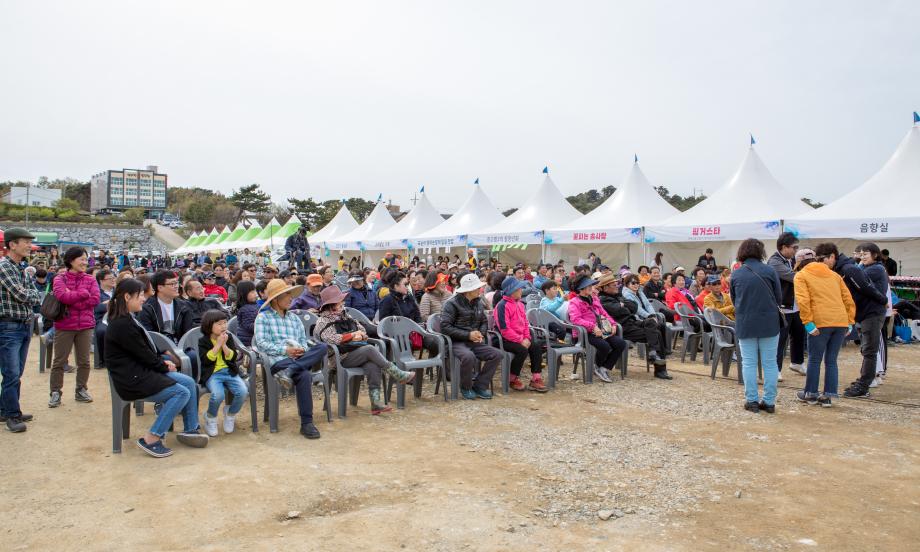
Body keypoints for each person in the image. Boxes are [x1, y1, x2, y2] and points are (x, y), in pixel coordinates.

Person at [105, 278, 209, 457]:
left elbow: (144, 349)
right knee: (180, 392)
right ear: (127, 297)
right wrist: (163, 365)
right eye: (140, 296)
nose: (144, 299)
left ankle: (190, 429)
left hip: (141, 371)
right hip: (132, 379)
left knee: (189, 382)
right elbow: (143, 354)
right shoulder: (122, 324)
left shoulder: (128, 318)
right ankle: (151, 438)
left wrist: (163, 359)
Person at [315, 286, 415, 415]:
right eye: (339, 301)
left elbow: (362, 329)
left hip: (356, 352)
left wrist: (360, 335)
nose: (342, 303)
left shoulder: (346, 314)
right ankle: (397, 374)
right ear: (331, 305)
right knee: (369, 349)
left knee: (373, 365)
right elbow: (331, 339)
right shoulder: (322, 321)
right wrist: (352, 336)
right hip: (339, 357)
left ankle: (376, 403)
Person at [254, 279, 329, 439]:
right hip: (279, 362)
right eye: (286, 295)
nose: (291, 299)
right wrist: (285, 350)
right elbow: (261, 344)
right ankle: (307, 423)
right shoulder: (263, 318)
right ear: (275, 299)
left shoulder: (294, 318)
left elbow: (302, 340)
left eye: (290, 295)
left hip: (297, 359)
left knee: (322, 347)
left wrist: (302, 350)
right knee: (305, 375)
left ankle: (291, 370)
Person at [794, 247, 855, 407]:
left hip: (820, 322)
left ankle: (811, 394)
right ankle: (828, 396)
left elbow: (803, 301)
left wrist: (808, 323)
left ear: (800, 264)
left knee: (814, 359)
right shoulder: (834, 275)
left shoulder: (801, 275)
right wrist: (849, 321)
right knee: (831, 360)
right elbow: (848, 299)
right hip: (840, 321)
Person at [730, 239, 783, 414]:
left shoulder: (736, 274)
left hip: (746, 323)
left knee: (749, 363)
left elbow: (734, 299)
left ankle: (751, 400)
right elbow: (779, 298)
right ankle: (769, 402)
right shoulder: (769, 270)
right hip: (769, 322)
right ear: (760, 252)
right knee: (770, 363)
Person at [0, 229, 43, 432]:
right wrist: (35, 297)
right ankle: (12, 415)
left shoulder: (21, 268)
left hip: (23, 325)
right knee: (11, 373)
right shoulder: (4, 267)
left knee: (16, 372)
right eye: (25, 242)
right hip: (9, 326)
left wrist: (33, 296)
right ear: (12, 245)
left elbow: (32, 293)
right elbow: (22, 294)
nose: (29, 245)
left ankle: (6, 408)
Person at [47, 246, 100, 407]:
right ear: (71, 260)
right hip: (64, 325)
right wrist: (83, 294)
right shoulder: (59, 278)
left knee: (84, 361)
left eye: (86, 259)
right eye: (82, 259)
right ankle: (55, 392)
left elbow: (95, 300)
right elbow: (62, 296)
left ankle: (81, 389)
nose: (85, 262)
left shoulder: (90, 279)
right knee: (59, 361)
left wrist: (73, 299)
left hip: (85, 325)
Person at [439, 273, 502, 400]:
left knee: (497, 354)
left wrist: (481, 333)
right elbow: (445, 327)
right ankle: (465, 387)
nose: (480, 290)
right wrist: (468, 335)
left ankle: (479, 385)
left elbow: (483, 321)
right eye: (477, 288)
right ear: (469, 290)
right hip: (455, 342)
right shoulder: (451, 304)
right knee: (468, 356)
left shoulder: (478, 302)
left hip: (473, 341)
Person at [839, 242, 889, 397]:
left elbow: (858, 277)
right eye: (860, 253)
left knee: (869, 350)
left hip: (873, 314)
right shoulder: (867, 268)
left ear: (875, 254)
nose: (862, 257)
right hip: (865, 314)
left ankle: (865, 385)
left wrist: (855, 265)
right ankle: (865, 379)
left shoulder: (877, 269)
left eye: (865, 253)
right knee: (866, 348)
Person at [599, 274, 670, 377]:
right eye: (614, 285)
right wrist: (623, 305)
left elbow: (634, 306)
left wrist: (623, 304)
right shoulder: (603, 299)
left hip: (632, 322)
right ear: (605, 287)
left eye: (617, 284)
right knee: (657, 334)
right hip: (623, 327)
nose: (617, 286)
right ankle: (660, 368)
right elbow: (618, 310)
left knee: (651, 322)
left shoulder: (617, 296)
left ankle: (653, 352)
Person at [197, 309, 249, 436]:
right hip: (213, 374)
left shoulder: (228, 337)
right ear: (209, 326)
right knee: (218, 395)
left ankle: (230, 414)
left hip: (229, 371)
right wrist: (218, 345)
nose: (224, 326)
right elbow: (206, 359)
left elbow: (233, 357)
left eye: (225, 322)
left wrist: (224, 345)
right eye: (219, 324)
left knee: (243, 392)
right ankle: (211, 417)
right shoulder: (203, 341)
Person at [568, 274, 626, 383]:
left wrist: (613, 324)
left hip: (601, 331)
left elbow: (604, 313)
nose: (591, 288)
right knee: (605, 346)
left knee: (620, 343)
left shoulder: (594, 299)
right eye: (588, 286)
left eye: (591, 285)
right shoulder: (574, 302)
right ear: (580, 289)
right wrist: (592, 326)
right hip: (584, 334)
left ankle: (603, 368)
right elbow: (575, 320)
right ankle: (597, 366)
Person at [493, 277, 547, 392]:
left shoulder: (520, 304)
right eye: (519, 288)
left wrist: (527, 337)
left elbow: (526, 324)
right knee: (522, 350)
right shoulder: (502, 306)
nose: (521, 290)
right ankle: (512, 379)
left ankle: (536, 378)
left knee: (536, 346)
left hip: (519, 338)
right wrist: (520, 340)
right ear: (512, 291)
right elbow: (504, 330)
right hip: (503, 339)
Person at [768, 232, 806, 377]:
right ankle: (775, 369)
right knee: (780, 340)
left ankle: (797, 363)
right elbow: (793, 277)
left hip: (794, 305)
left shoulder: (789, 259)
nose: (796, 251)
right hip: (782, 307)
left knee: (798, 335)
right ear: (784, 247)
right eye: (794, 247)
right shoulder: (775, 262)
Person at [137, 270, 196, 343]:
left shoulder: (184, 306)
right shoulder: (147, 308)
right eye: (172, 284)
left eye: (176, 283)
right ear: (160, 287)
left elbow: (187, 332)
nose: (176, 286)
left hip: (181, 346)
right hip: (159, 349)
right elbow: (150, 336)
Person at [93, 268, 117, 368]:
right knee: (102, 331)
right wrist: (112, 303)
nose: (113, 280)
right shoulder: (96, 292)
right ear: (101, 281)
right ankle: (104, 360)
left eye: (113, 278)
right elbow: (96, 308)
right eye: (109, 278)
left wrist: (107, 304)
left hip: (119, 317)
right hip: (102, 319)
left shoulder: (118, 291)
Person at [233, 281, 259, 347]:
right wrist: (262, 325)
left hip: (253, 338)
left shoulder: (254, 305)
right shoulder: (245, 309)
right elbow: (249, 326)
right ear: (244, 294)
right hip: (248, 341)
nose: (256, 294)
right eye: (252, 292)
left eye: (255, 291)